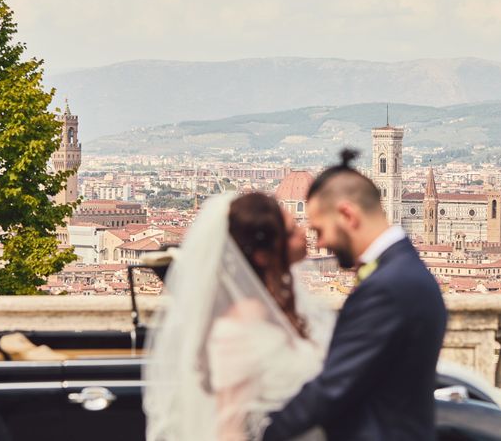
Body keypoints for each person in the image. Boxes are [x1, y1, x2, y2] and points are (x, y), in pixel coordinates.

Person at [262, 149, 448, 441]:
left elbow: (334, 387)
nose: (319, 242)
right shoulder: (404, 271)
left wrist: (263, 434)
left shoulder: (389, 287)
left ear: (347, 214)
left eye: (320, 229)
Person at [143, 192, 332, 441]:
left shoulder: (278, 311)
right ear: (262, 256)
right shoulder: (235, 333)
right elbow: (230, 430)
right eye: (290, 230)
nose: (302, 232)